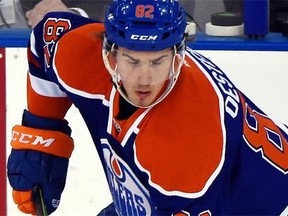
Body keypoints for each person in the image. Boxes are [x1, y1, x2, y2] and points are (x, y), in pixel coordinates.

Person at [6, 0, 288, 215]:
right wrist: (41, 133)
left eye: (157, 62)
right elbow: (46, 37)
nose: (144, 79)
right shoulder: (78, 52)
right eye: (132, 61)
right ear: (110, 53)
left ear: (178, 57)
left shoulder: (189, 144)